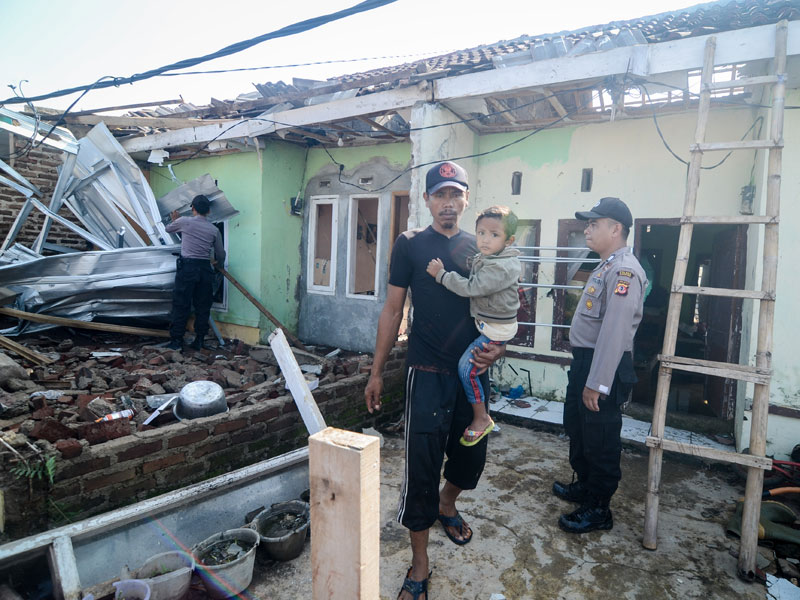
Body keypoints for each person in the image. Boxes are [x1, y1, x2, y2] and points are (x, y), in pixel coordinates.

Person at [364, 161, 505, 600]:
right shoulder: (410, 245)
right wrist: (376, 372)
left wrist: (500, 347)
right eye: (440, 194)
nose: (448, 203)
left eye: (455, 194)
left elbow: (502, 306)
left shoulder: (480, 246)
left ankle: (448, 502)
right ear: (426, 200)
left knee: (471, 459)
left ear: (466, 199)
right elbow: (393, 309)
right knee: (420, 471)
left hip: (472, 373)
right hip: (424, 374)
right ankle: (420, 563)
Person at [552, 197, 646, 534]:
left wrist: (598, 382)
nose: (587, 230)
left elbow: (614, 332)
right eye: (587, 224)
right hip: (586, 362)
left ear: (616, 228)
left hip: (603, 364)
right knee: (578, 427)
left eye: (594, 224)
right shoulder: (605, 265)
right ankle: (585, 487)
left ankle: (598, 509)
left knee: (600, 438)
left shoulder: (624, 271)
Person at [425, 205, 521, 447]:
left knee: (466, 369)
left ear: (509, 240)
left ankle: (482, 417)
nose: (485, 240)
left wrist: (441, 275)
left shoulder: (501, 266)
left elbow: (472, 287)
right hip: (491, 324)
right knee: (474, 368)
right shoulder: (492, 256)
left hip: (495, 329)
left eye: (494, 235)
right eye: (481, 233)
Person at [165, 194, 226, 351]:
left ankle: (176, 341)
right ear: (208, 211)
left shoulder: (184, 222)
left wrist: (176, 219)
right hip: (205, 269)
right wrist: (219, 264)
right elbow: (220, 253)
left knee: (181, 304)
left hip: (188, 268)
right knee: (203, 306)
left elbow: (168, 229)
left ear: (193, 208)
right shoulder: (214, 230)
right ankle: (199, 341)